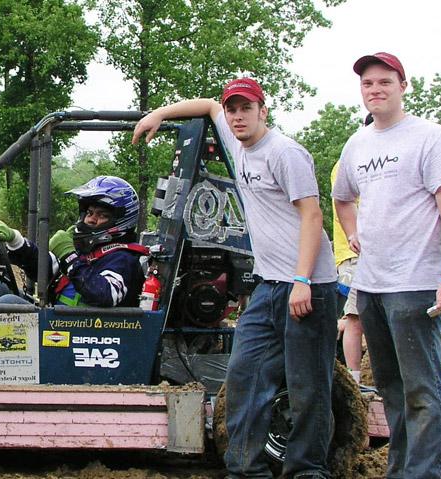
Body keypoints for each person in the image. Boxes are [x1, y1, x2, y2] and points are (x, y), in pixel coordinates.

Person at [134, 77, 338, 478]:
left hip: (308, 285)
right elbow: (208, 104)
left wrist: (303, 280)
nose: (237, 115)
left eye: (247, 108)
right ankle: (245, 469)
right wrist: (158, 113)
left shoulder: (285, 153)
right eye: (233, 109)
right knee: (245, 374)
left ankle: (308, 470)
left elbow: (312, 216)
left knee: (307, 384)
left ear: (264, 111)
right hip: (268, 285)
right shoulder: (236, 140)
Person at [333, 52, 441, 479]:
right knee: (390, 389)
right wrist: (353, 232)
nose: (376, 89)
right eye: (368, 83)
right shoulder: (358, 143)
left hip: (416, 283)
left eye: (385, 82)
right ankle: (402, 470)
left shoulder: (428, 137)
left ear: (403, 86)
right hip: (371, 285)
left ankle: (426, 473)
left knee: (423, 391)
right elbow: (340, 196)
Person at [0, 175, 146, 307]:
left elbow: (104, 294)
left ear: (120, 221)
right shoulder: (88, 251)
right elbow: (47, 268)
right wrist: (15, 240)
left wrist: (68, 255)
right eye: (90, 213)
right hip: (58, 321)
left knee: (8, 303)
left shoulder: (123, 259)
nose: (91, 220)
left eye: (102, 215)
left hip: (82, 333)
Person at [330, 162, 363, 383]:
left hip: (356, 253)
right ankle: (355, 379)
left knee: (356, 318)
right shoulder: (350, 162)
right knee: (354, 318)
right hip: (355, 254)